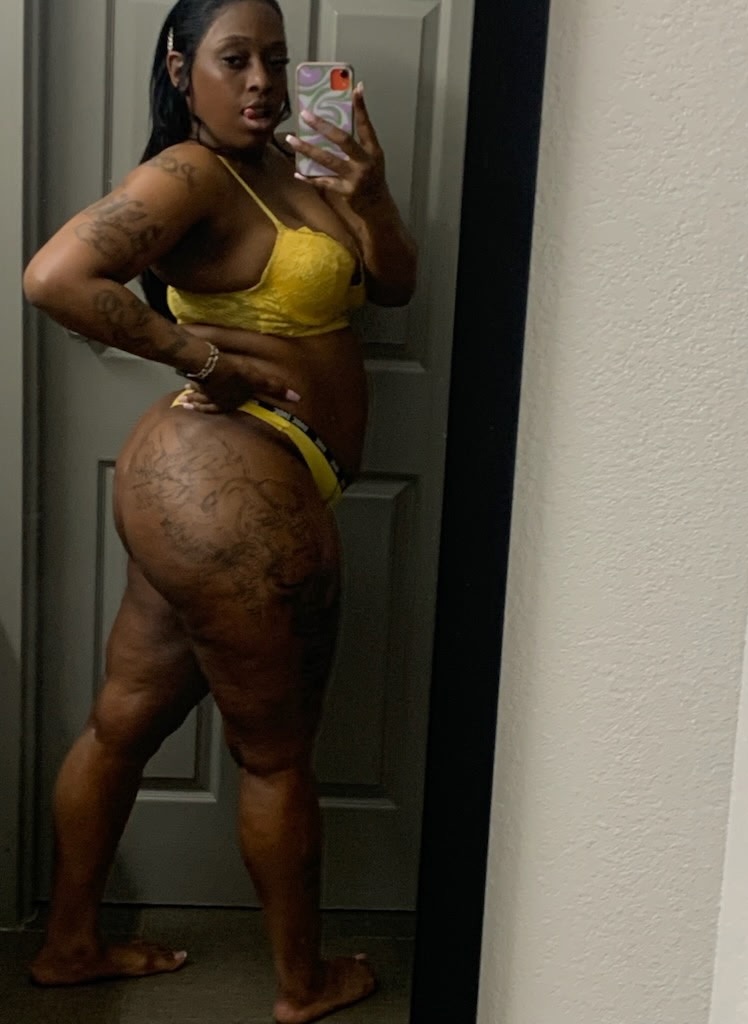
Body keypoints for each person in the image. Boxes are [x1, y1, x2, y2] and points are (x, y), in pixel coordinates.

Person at [23, 0, 417, 1020]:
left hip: (203, 490)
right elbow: (55, 278)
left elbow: (396, 288)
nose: (260, 82)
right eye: (234, 58)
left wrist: (371, 195)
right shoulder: (191, 173)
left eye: (275, 60)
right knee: (276, 753)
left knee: (122, 721)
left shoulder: (298, 165)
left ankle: (69, 945)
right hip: (229, 483)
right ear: (179, 68)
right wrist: (203, 360)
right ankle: (302, 984)